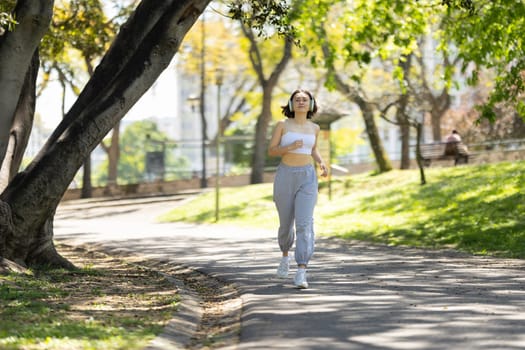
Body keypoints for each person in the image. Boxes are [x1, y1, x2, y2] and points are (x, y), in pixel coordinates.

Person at [267, 89, 328, 289]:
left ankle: (302, 270)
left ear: (310, 104)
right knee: (286, 224)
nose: (301, 102)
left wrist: (321, 162)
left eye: (305, 99)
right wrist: (289, 147)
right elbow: (272, 151)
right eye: (297, 99)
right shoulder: (282, 125)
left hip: (307, 177)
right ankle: (285, 256)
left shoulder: (315, 128)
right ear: (292, 104)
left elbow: (313, 148)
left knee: (304, 224)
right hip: (285, 175)